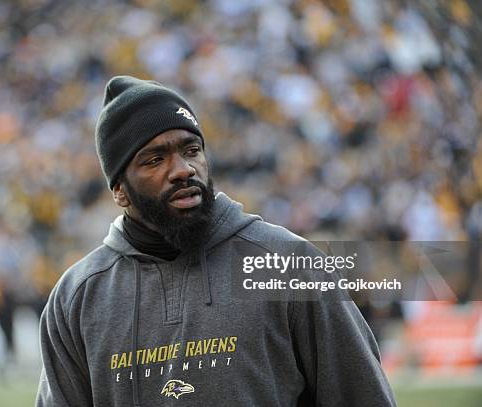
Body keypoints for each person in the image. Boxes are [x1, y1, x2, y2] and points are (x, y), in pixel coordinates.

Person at [35, 75, 396, 406]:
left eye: (191, 150)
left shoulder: (288, 263)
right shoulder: (77, 297)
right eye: (155, 159)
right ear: (120, 191)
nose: (183, 169)